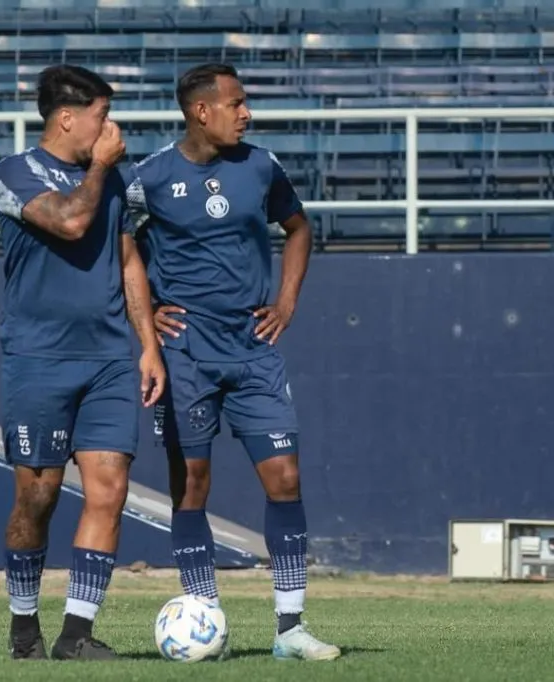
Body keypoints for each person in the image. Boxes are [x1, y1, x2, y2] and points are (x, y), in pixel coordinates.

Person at [122, 63, 340, 661]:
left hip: (252, 348)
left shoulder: (261, 167)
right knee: (191, 485)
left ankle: (291, 628)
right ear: (201, 111)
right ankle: (203, 614)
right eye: (237, 103)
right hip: (186, 352)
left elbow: (298, 228)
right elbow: (120, 251)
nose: (247, 113)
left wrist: (286, 301)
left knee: (285, 477)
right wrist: (148, 320)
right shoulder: (149, 179)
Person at [0, 64, 165, 661]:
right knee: (38, 497)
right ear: (67, 117)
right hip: (39, 357)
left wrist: (148, 345)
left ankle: (76, 634)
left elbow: (126, 258)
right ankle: (23, 630)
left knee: (109, 491)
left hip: (111, 358)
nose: (109, 127)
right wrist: (99, 168)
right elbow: (70, 221)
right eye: (100, 115)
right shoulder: (14, 172)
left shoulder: (119, 179)